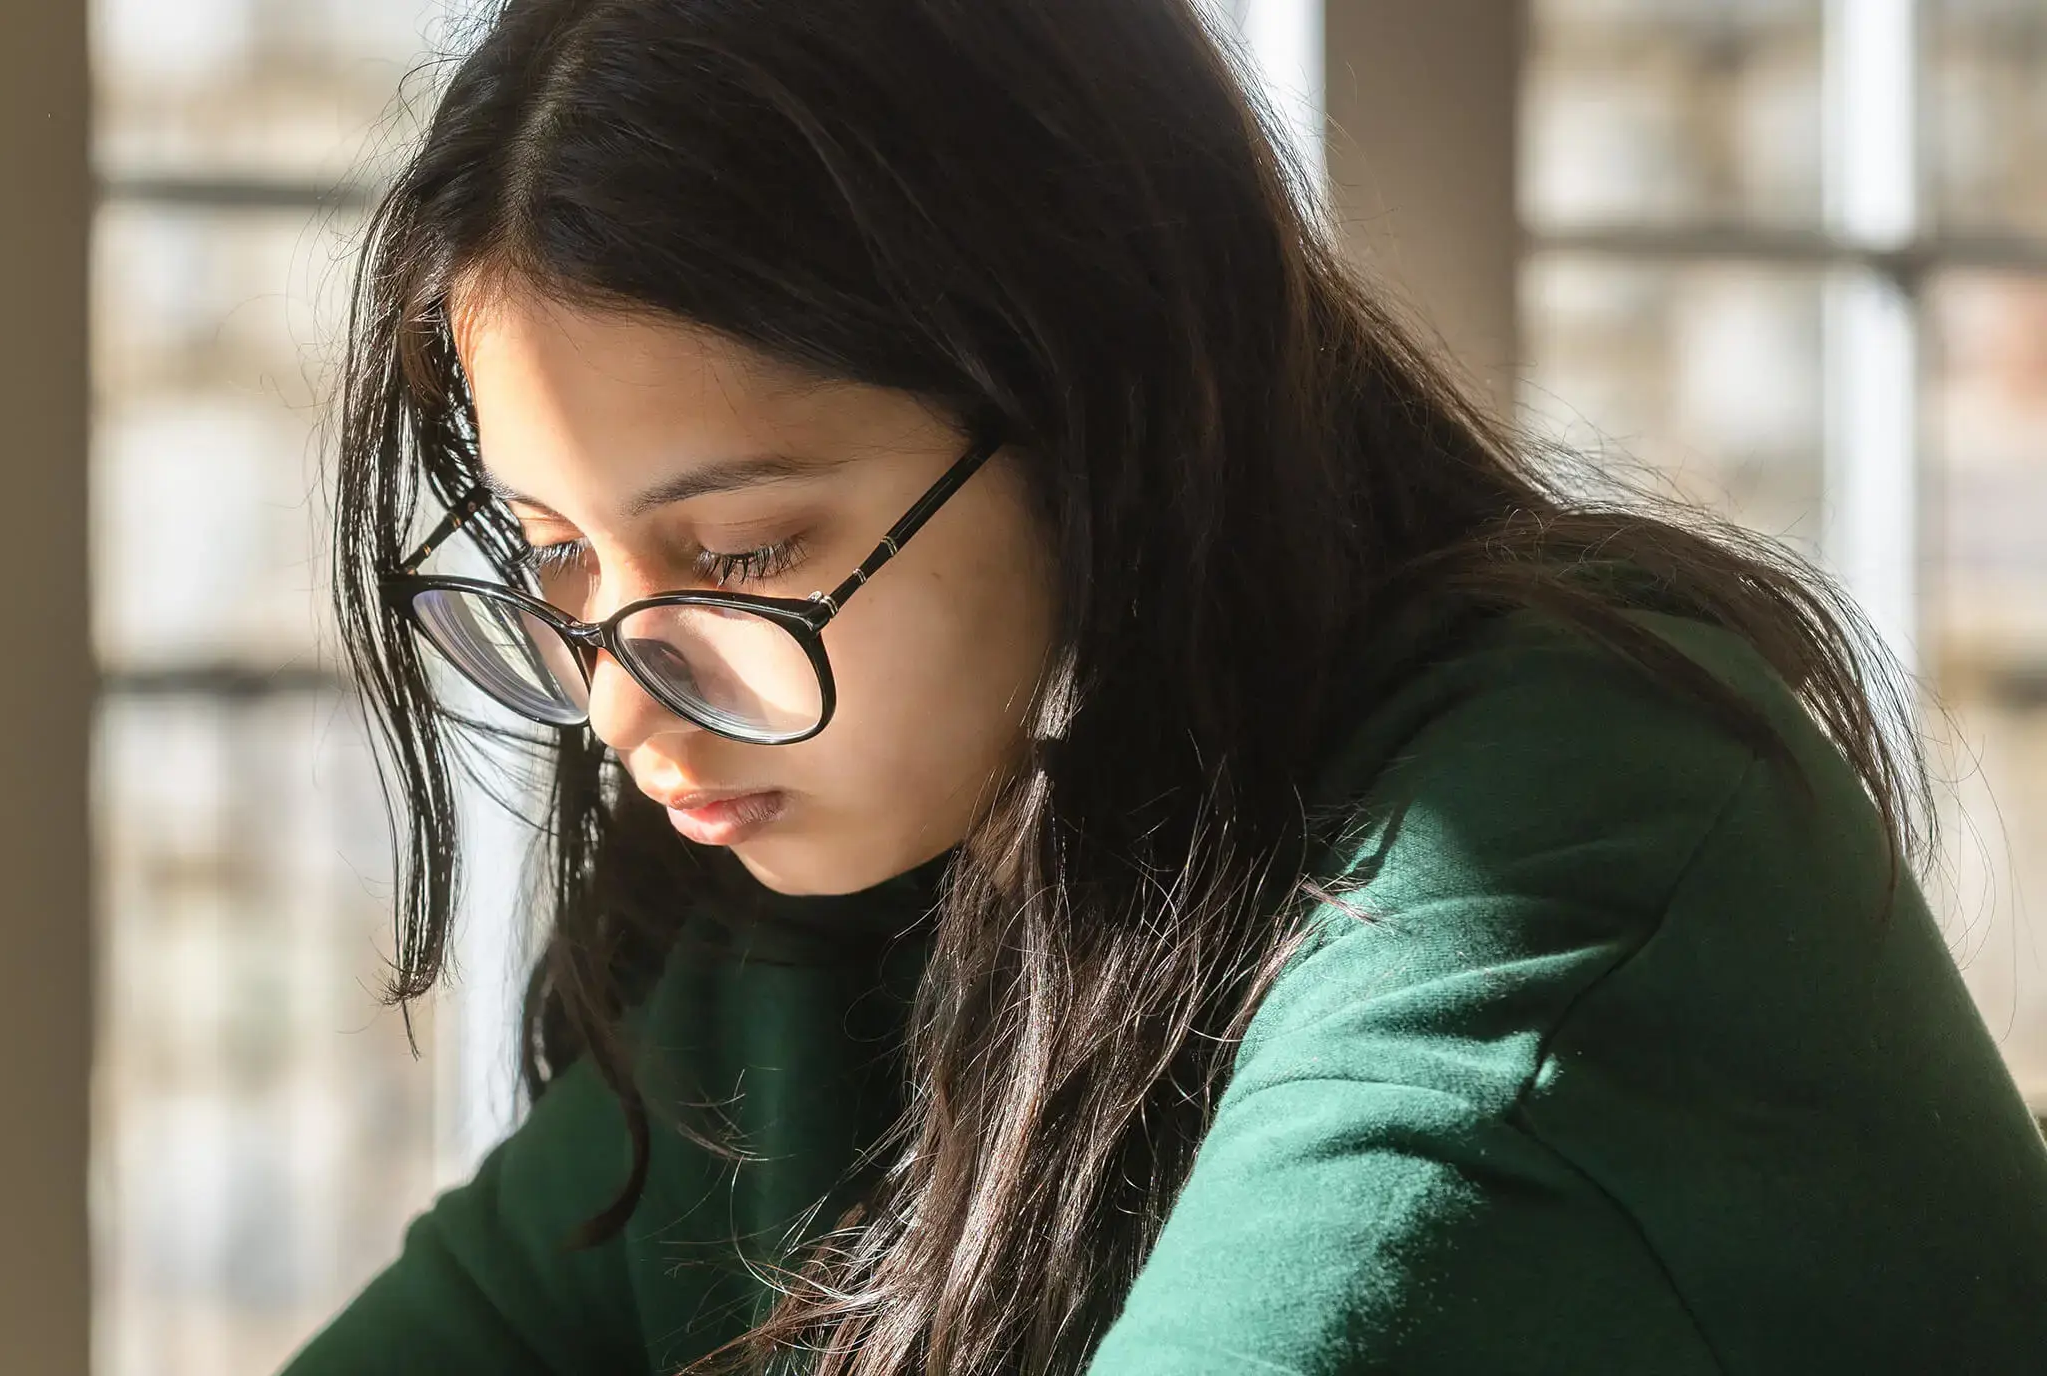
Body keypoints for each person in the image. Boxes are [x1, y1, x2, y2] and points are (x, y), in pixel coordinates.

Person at [286, 1, 2047, 1371]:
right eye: (557, 563)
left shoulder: (1559, 828)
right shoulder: (835, 879)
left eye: (740, 558)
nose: (623, 705)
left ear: (1095, 416)